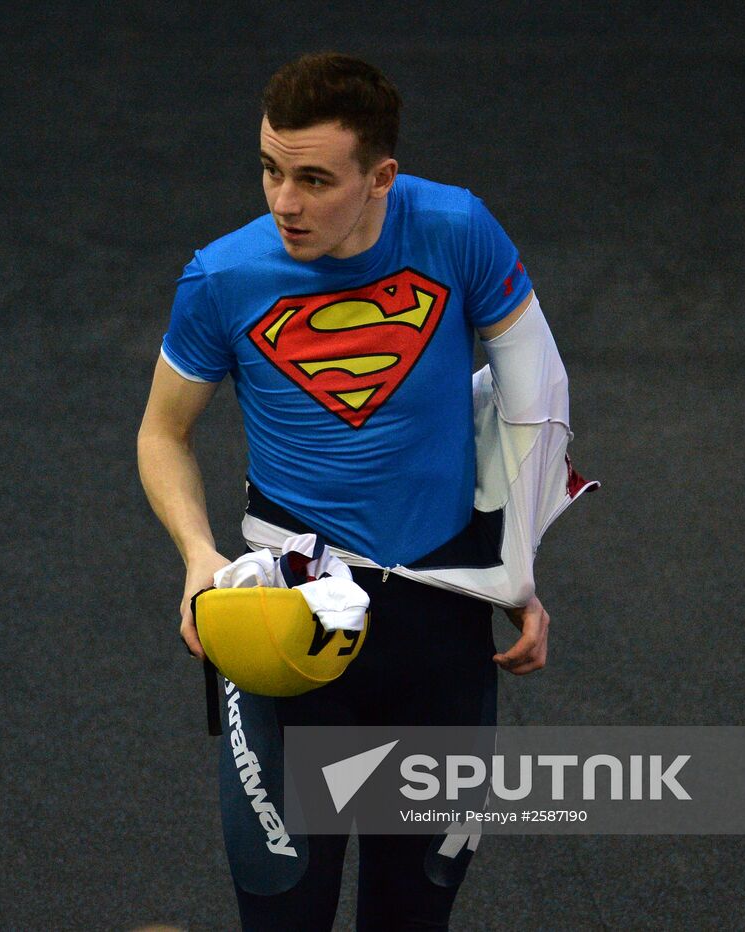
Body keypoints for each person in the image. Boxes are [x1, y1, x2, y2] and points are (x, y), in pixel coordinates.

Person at [137, 52, 563, 930]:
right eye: (269, 169)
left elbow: (537, 400)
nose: (283, 201)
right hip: (288, 632)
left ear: (381, 178)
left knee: (412, 919)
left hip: (440, 632)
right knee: (283, 915)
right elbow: (161, 433)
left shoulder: (457, 231)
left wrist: (515, 566)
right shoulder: (223, 278)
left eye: (313, 178)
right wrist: (197, 557)